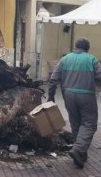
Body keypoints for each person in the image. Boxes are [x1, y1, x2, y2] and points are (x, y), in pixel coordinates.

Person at [48, 37, 101, 168]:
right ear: (87, 48)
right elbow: (99, 76)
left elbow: (53, 78)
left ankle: (81, 154)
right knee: (89, 124)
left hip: (69, 95)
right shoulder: (92, 59)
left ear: (75, 47)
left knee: (76, 123)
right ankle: (78, 149)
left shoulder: (64, 59)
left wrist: (51, 96)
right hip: (86, 95)